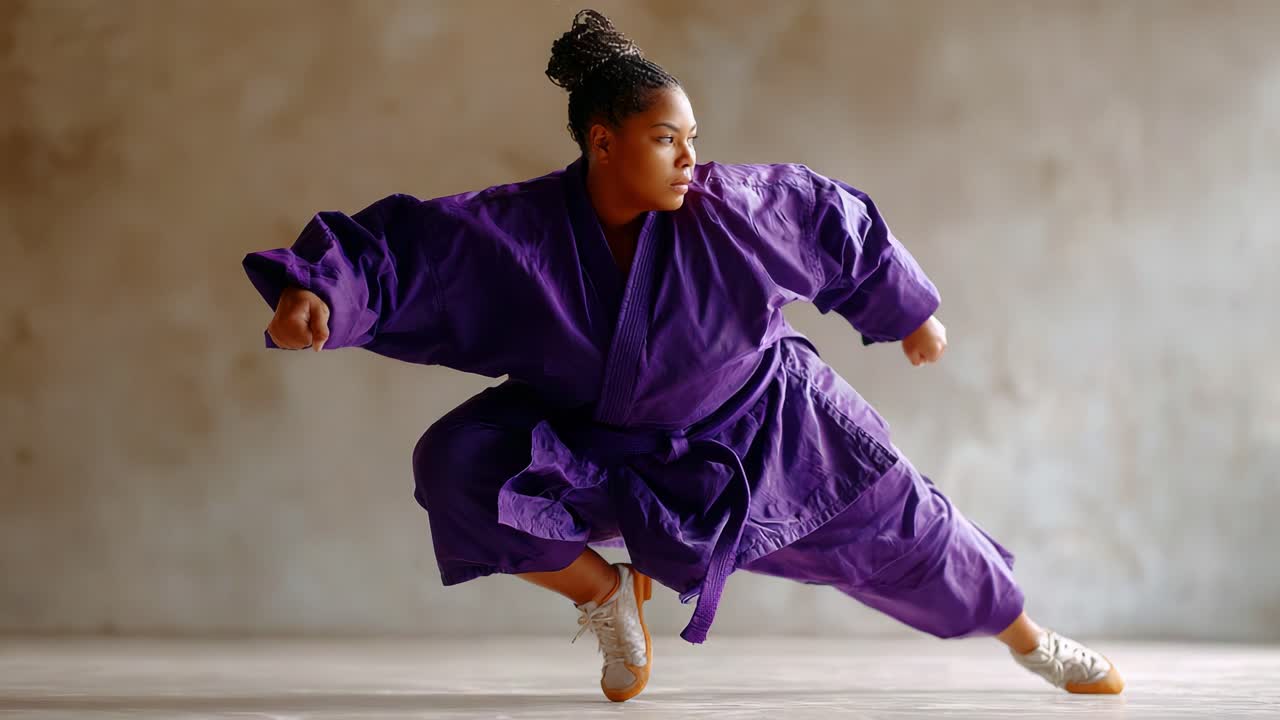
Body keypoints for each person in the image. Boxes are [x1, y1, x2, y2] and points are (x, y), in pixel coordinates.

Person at [242, 9, 1124, 704]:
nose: (690, 157)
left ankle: (1032, 641)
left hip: (773, 436)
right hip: (599, 445)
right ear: (602, 142)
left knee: (919, 537)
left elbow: (830, 220)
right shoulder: (515, 233)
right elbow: (401, 251)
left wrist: (904, 313)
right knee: (458, 464)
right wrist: (319, 293)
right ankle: (605, 597)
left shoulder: (732, 207)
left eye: (693, 136)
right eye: (668, 138)